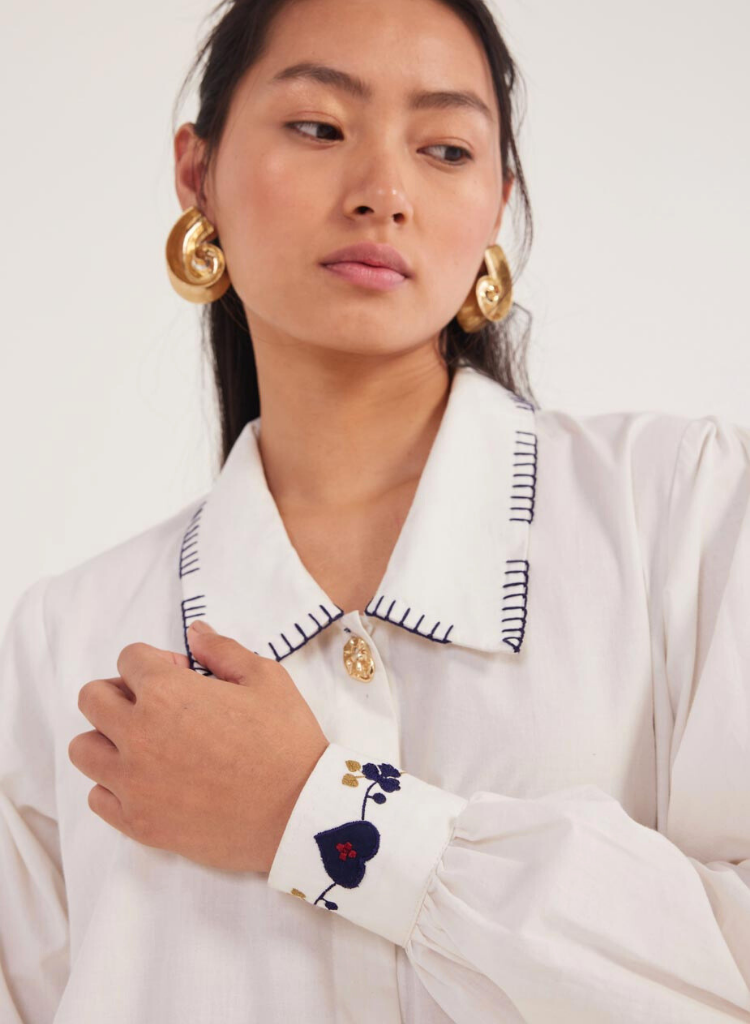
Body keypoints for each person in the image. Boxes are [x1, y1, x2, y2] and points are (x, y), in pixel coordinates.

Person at [1, 0, 749, 1021]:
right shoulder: (67, 646)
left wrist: (314, 813)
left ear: (495, 206)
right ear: (198, 174)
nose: (383, 193)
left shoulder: (685, 516)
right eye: (319, 127)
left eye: (444, 149)